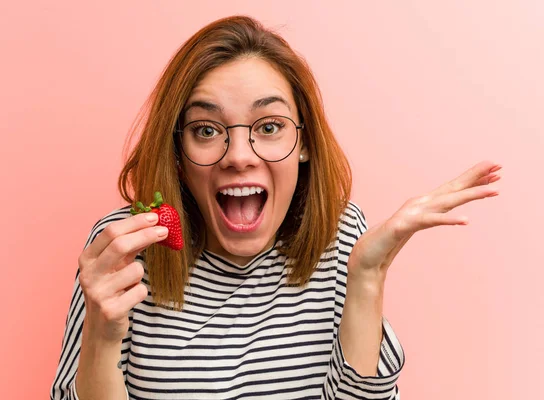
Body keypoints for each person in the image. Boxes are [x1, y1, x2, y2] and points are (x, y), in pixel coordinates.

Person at [50, 15, 501, 400]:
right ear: (178, 154)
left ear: (303, 142)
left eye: (268, 126)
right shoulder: (124, 250)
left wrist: (366, 277)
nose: (239, 155)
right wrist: (103, 340)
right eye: (206, 130)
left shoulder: (342, 235)